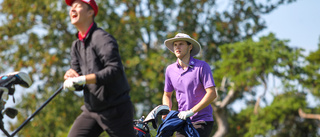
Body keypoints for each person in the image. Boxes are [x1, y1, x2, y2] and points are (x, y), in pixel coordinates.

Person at [63, 0, 135, 136]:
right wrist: (72, 78)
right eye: (71, 7)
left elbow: (115, 70)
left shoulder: (102, 38)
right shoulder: (76, 45)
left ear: (90, 12)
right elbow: (79, 83)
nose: (72, 10)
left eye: (78, 6)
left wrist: (83, 79)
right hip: (92, 110)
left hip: (116, 109)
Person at [162, 33, 217, 137]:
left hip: (202, 120)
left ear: (190, 46)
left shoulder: (202, 67)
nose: (177, 47)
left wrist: (192, 111)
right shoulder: (170, 70)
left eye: (181, 44)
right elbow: (167, 95)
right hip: (182, 121)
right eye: (175, 45)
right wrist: (166, 109)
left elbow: (212, 93)